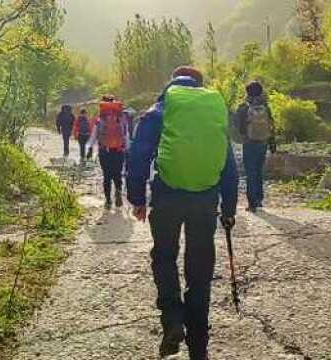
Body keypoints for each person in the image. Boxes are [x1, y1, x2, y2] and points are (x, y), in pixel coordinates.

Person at [127, 66, 238, 360]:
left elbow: (138, 154)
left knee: (164, 256)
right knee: (200, 265)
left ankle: (173, 319)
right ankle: (198, 337)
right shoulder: (211, 113)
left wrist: (137, 197)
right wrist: (229, 208)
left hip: (167, 196)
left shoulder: (160, 110)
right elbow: (229, 165)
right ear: (199, 87)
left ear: (171, 83)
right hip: (205, 198)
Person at [235, 81, 276, 212]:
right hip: (263, 142)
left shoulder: (243, 107)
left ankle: (252, 203)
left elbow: (239, 127)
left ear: (247, 92)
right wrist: (272, 143)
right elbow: (271, 125)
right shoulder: (266, 107)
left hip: (249, 143)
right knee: (258, 171)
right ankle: (259, 200)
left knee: (250, 172)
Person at [87, 98, 130, 210]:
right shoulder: (121, 119)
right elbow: (126, 136)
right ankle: (118, 193)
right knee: (118, 174)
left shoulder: (100, 120)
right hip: (118, 151)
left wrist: (90, 148)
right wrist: (128, 150)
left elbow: (93, 136)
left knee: (107, 176)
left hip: (104, 152)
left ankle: (108, 201)